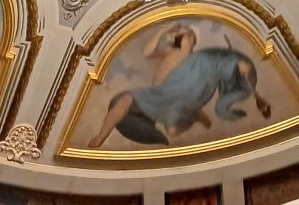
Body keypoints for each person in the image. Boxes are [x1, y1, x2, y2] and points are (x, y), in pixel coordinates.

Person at [87, 23, 270, 148]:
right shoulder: (170, 52)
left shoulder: (198, 59)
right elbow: (148, 52)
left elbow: (221, 66)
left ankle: (195, 116)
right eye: (182, 34)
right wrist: (162, 31)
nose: (183, 36)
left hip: (175, 99)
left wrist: (246, 80)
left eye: (187, 34)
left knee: (173, 131)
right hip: (156, 93)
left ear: (191, 40)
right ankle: (101, 135)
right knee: (126, 99)